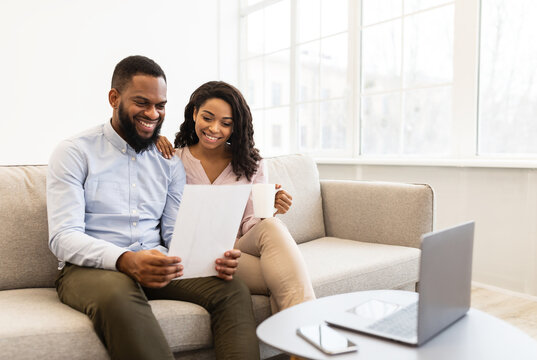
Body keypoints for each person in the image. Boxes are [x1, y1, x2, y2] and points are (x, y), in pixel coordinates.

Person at [46, 56, 259, 360]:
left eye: (160, 105)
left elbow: (174, 231)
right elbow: (63, 237)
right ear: (114, 98)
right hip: (90, 269)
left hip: (157, 260)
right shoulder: (74, 152)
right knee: (119, 294)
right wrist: (126, 260)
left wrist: (210, 258)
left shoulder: (169, 161)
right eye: (142, 103)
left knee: (232, 288)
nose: (153, 113)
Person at [156, 81, 316, 313]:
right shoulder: (173, 160)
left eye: (226, 123)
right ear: (194, 114)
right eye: (207, 118)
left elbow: (251, 225)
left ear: (235, 127)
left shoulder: (251, 164)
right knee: (283, 279)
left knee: (271, 225)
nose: (214, 129)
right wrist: (152, 140)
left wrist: (268, 209)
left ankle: (301, 342)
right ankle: (305, 338)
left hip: (240, 246)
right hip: (198, 253)